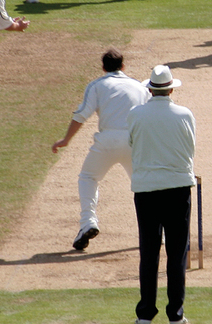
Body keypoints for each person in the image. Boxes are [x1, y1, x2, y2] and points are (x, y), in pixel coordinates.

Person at [52, 49, 150, 250]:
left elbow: (81, 115)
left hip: (107, 140)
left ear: (103, 67)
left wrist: (66, 139)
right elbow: (149, 116)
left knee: (88, 177)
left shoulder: (96, 85)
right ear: (123, 66)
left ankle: (88, 222)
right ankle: (158, 233)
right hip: (134, 142)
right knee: (144, 187)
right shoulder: (140, 87)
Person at [127, 65, 196, 324]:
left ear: (150, 89)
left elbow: (132, 144)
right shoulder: (184, 114)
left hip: (146, 190)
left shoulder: (136, 114)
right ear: (170, 89)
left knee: (149, 251)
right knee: (176, 253)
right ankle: (175, 315)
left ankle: (145, 314)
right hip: (178, 187)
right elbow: (190, 149)